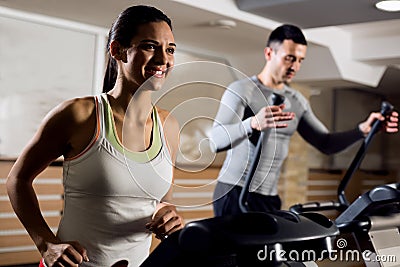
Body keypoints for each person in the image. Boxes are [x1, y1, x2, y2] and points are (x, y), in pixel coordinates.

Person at [6, 5, 184, 267]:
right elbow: (17, 180)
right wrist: (46, 243)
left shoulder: (168, 125)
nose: (163, 59)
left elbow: (160, 200)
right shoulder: (79, 115)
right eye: (149, 46)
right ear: (117, 50)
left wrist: (167, 214)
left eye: (170, 49)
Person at [210, 24, 399, 216]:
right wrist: (252, 123)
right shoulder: (242, 90)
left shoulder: (296, 100)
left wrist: (363, 130)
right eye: (289, 58)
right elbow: (215, 140)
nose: (295, 66)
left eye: (300, 60)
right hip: (235, 191)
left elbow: (326, 143)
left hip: (269, 197)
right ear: (269, 53)